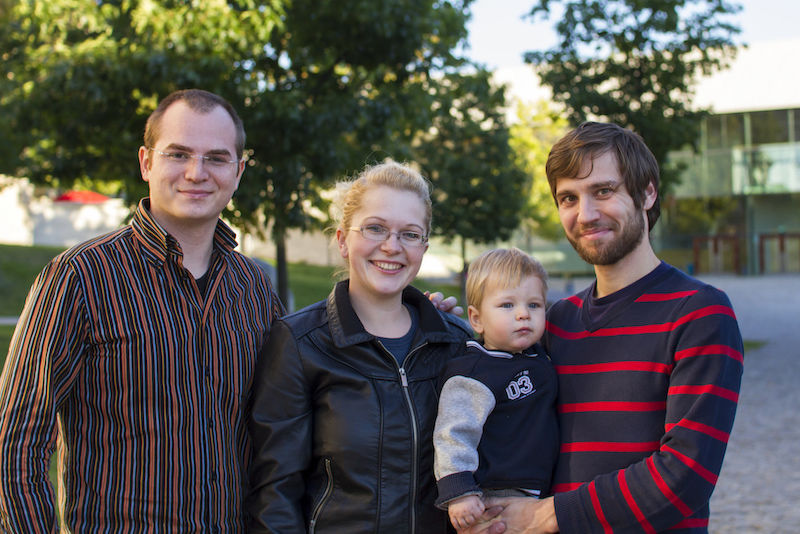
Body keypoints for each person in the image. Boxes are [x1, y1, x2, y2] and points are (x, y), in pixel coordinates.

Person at [0, 89, 284, 531]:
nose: (196, 172)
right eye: (178, 154)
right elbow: (16, 439)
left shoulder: (254, 289)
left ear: (239, 171)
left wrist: (417, 312)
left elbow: (291, 422)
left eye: (216, 157)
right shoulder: (81, 276)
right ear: (146, 162)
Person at [458, 121, 744, 534]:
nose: (585, 214)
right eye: (568, 198)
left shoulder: (698, 314)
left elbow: (685, 476)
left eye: (603, 191)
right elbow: (494, 391)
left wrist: (546, 516)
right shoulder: (555, 322)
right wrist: (437, 326)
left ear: (647, 192)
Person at [246, 160, 472, 533]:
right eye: (375, 228)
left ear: (424, 247)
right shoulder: (300, 344)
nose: (391, 246)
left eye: (410, 234)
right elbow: (275, 494)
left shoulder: (455, 343)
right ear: (342, 240)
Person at [433, 248, 559, 531]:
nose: (523, 314)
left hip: (539, 491)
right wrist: (460, 491)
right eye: (507, 305)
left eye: (535, 305)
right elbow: (454, 433)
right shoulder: (474, 373)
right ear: (476, 319)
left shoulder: (539, 357)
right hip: (492, 497)